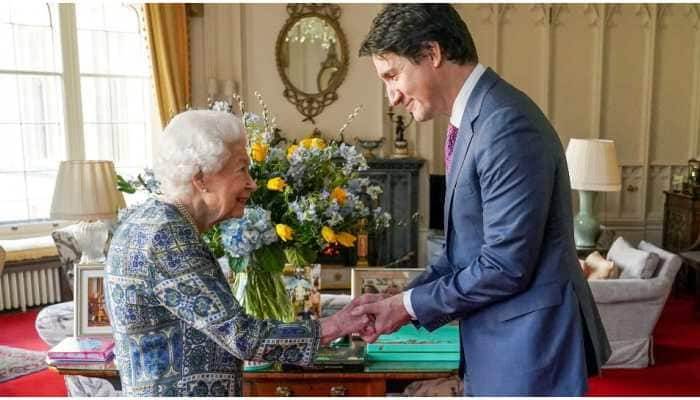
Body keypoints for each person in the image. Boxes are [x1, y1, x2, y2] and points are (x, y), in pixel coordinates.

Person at [351, 4, 611, 396]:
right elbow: (464, 254)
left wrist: (406, 307)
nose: (392, 97)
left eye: (392, 75)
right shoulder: (473, 119)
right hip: (502, 343)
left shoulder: (507, 124)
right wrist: (401, 299)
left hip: (529, 349)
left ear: (431, 53)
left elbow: (506, 265)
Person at [103, 110, 370, 396]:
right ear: (201, 177)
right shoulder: (167, 237)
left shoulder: (146, 221)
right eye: (242, 169)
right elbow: (241, 336)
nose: (252, 183)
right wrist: (336, 325)